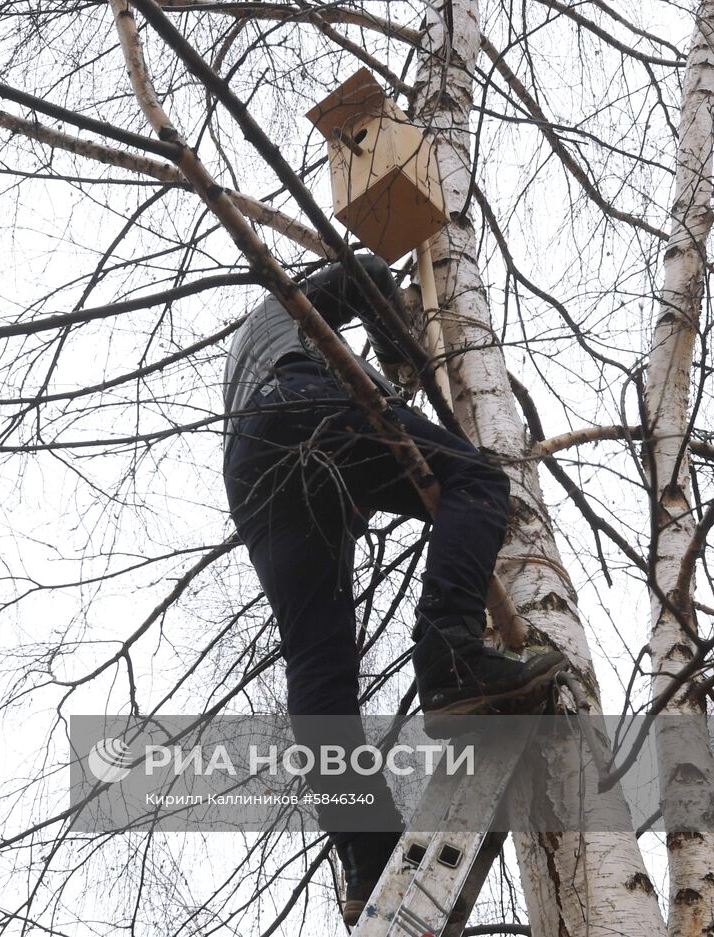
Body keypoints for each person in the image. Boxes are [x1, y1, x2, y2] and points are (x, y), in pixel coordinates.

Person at [221, 254, 565, 926]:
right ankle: (451, 654)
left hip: (252, 472)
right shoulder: (281, 317)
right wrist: (400, 340)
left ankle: (363, 842)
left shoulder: (246, 362)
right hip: (304, 411)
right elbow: (364, 271)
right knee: (478, 480)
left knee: (318, 660)